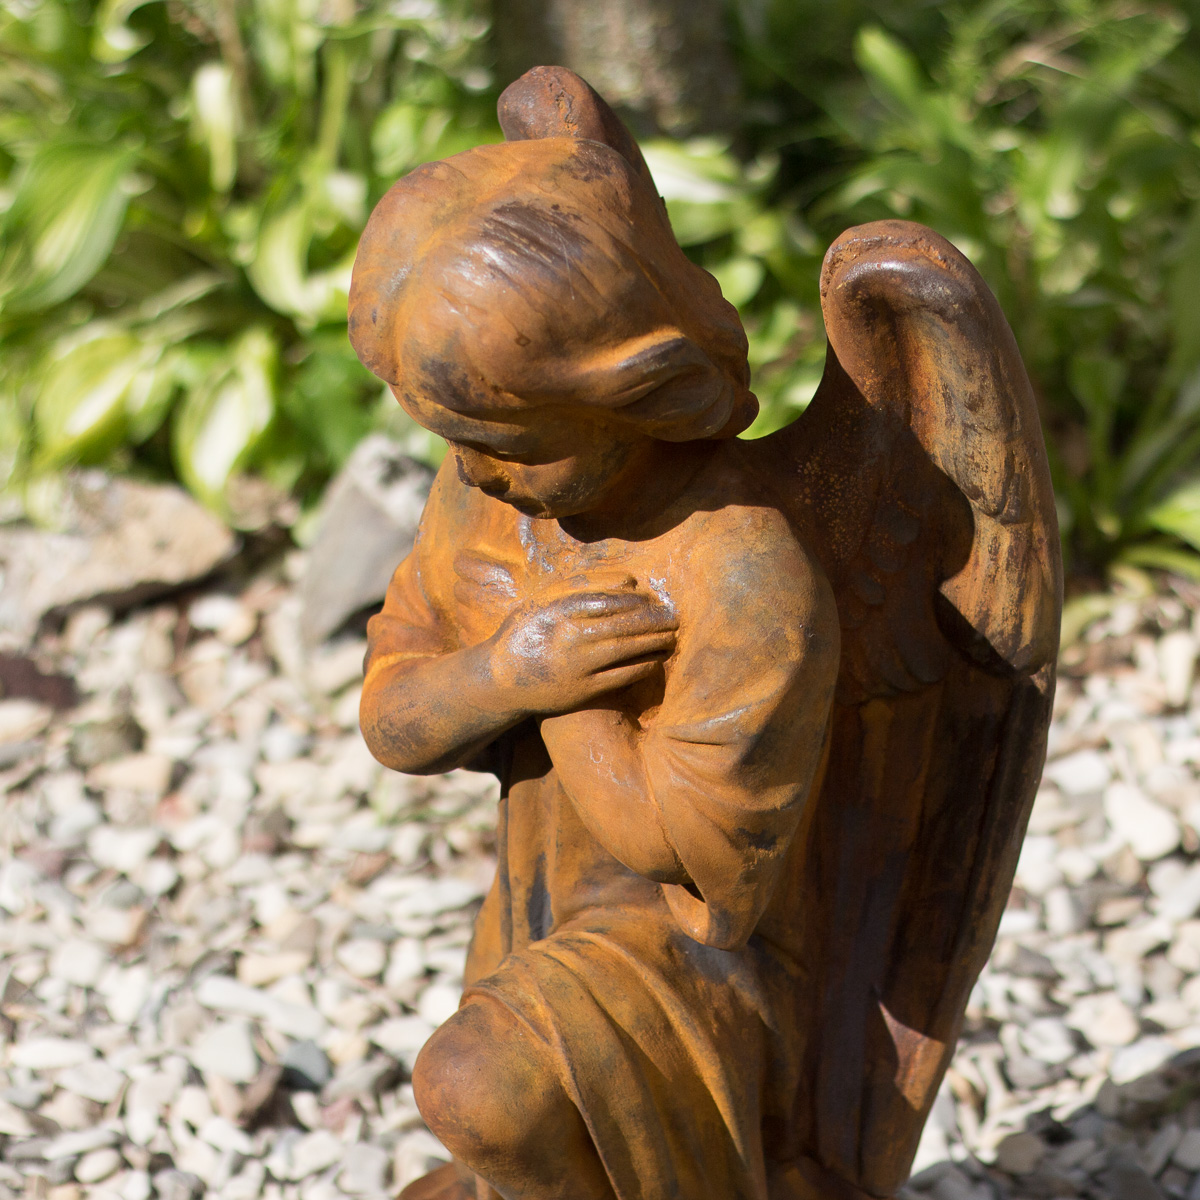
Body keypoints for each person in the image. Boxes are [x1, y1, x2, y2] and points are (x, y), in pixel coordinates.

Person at [350, 130, 840, 1200]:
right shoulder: (488, 495)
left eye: (513, 443)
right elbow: (391, 715)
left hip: (686, 960)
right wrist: (497, 679)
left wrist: (567, 706)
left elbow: (695, 860)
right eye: (457, 440)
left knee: (479, 1088)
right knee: (519, 1133)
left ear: (635, 390)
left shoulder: (741, 571)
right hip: (538, 905)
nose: (477, 471)